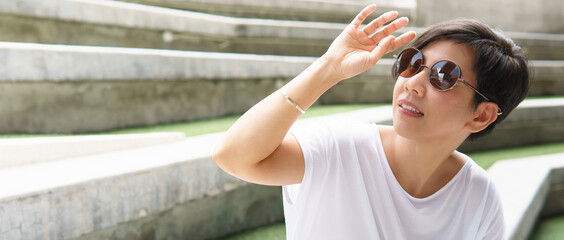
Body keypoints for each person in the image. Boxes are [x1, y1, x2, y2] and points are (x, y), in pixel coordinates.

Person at [213, 4, 529, 240]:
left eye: (443, 76)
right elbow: (232, 157)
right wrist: (329, 68)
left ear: (481, 115)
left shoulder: (478, 197)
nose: (413, 83)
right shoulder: (337, 147)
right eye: (413, 63)